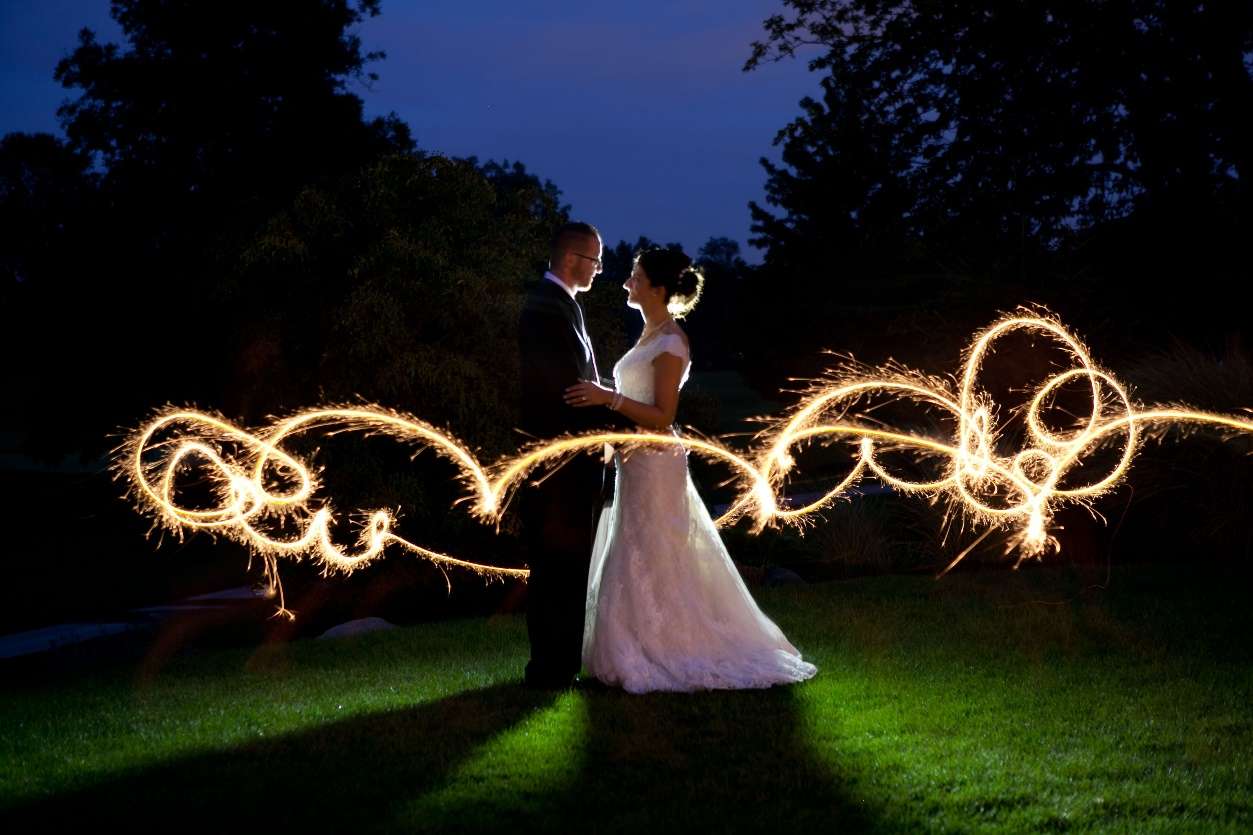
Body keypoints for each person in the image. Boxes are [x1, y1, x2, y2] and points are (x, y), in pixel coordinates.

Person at [564, 247, 818, 693]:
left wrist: (608, 399)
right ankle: (635, 644)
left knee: (658, 550)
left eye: (636, 278)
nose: (627, 283)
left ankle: (673, 646)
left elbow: (662, 415)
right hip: (636, 460)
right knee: (637, 547)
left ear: (658, 290)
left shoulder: (670, 343)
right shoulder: (647, 336)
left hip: (658, 461)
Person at [517, 221, 628, 689]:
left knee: (565, 566)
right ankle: (550, 669)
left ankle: (558, 665)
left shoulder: (565, 307)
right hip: (558, 467)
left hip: (572, 465)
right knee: (557, 567)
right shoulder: (546, 310)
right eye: (595, 260)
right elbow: (571, 393)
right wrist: (625, 429)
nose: (600, 270)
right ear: (570, 258)